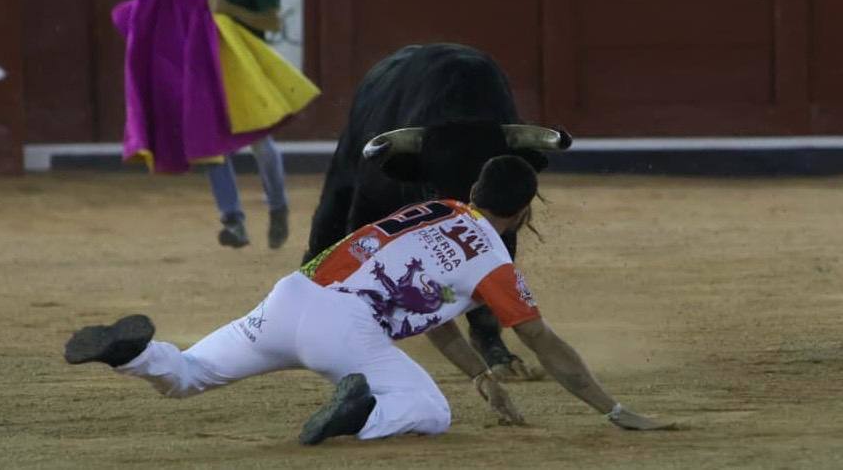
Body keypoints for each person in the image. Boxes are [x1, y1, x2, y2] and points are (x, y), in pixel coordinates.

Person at [64, 156, 674, 445]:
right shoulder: (494, 261)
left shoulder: (433, 209)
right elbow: (541, 341)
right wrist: (612, 408)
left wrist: (481, 376)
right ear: (524, 210)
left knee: (190, 373)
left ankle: (134, 354)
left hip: (292, 294)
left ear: (472, 188)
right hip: (346, 329)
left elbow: (434, 316)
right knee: (429, 412)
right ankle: (362, 416)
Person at [203, 0, 289, 250]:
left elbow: (273, 22)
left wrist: (229, 9)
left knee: (261, 145)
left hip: (249, 68)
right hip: (210, 68)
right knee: (213, 146)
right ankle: (233, 221)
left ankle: (278, 208)